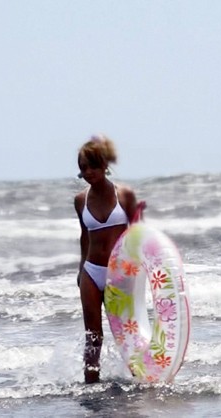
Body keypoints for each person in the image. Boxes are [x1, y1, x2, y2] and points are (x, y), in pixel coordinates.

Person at [74, 135, 141, 384]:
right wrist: (81, 269)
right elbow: (84, 236)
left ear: (104, 165)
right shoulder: (80, 200)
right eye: (83, 168)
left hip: (119, 273)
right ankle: (90, 387)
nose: (88, 172)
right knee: (93, 336)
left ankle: (143, 381)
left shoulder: (125, 195)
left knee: (127, 334)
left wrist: (138, 270)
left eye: (92, 166)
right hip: (91, 272)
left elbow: (139, 234)